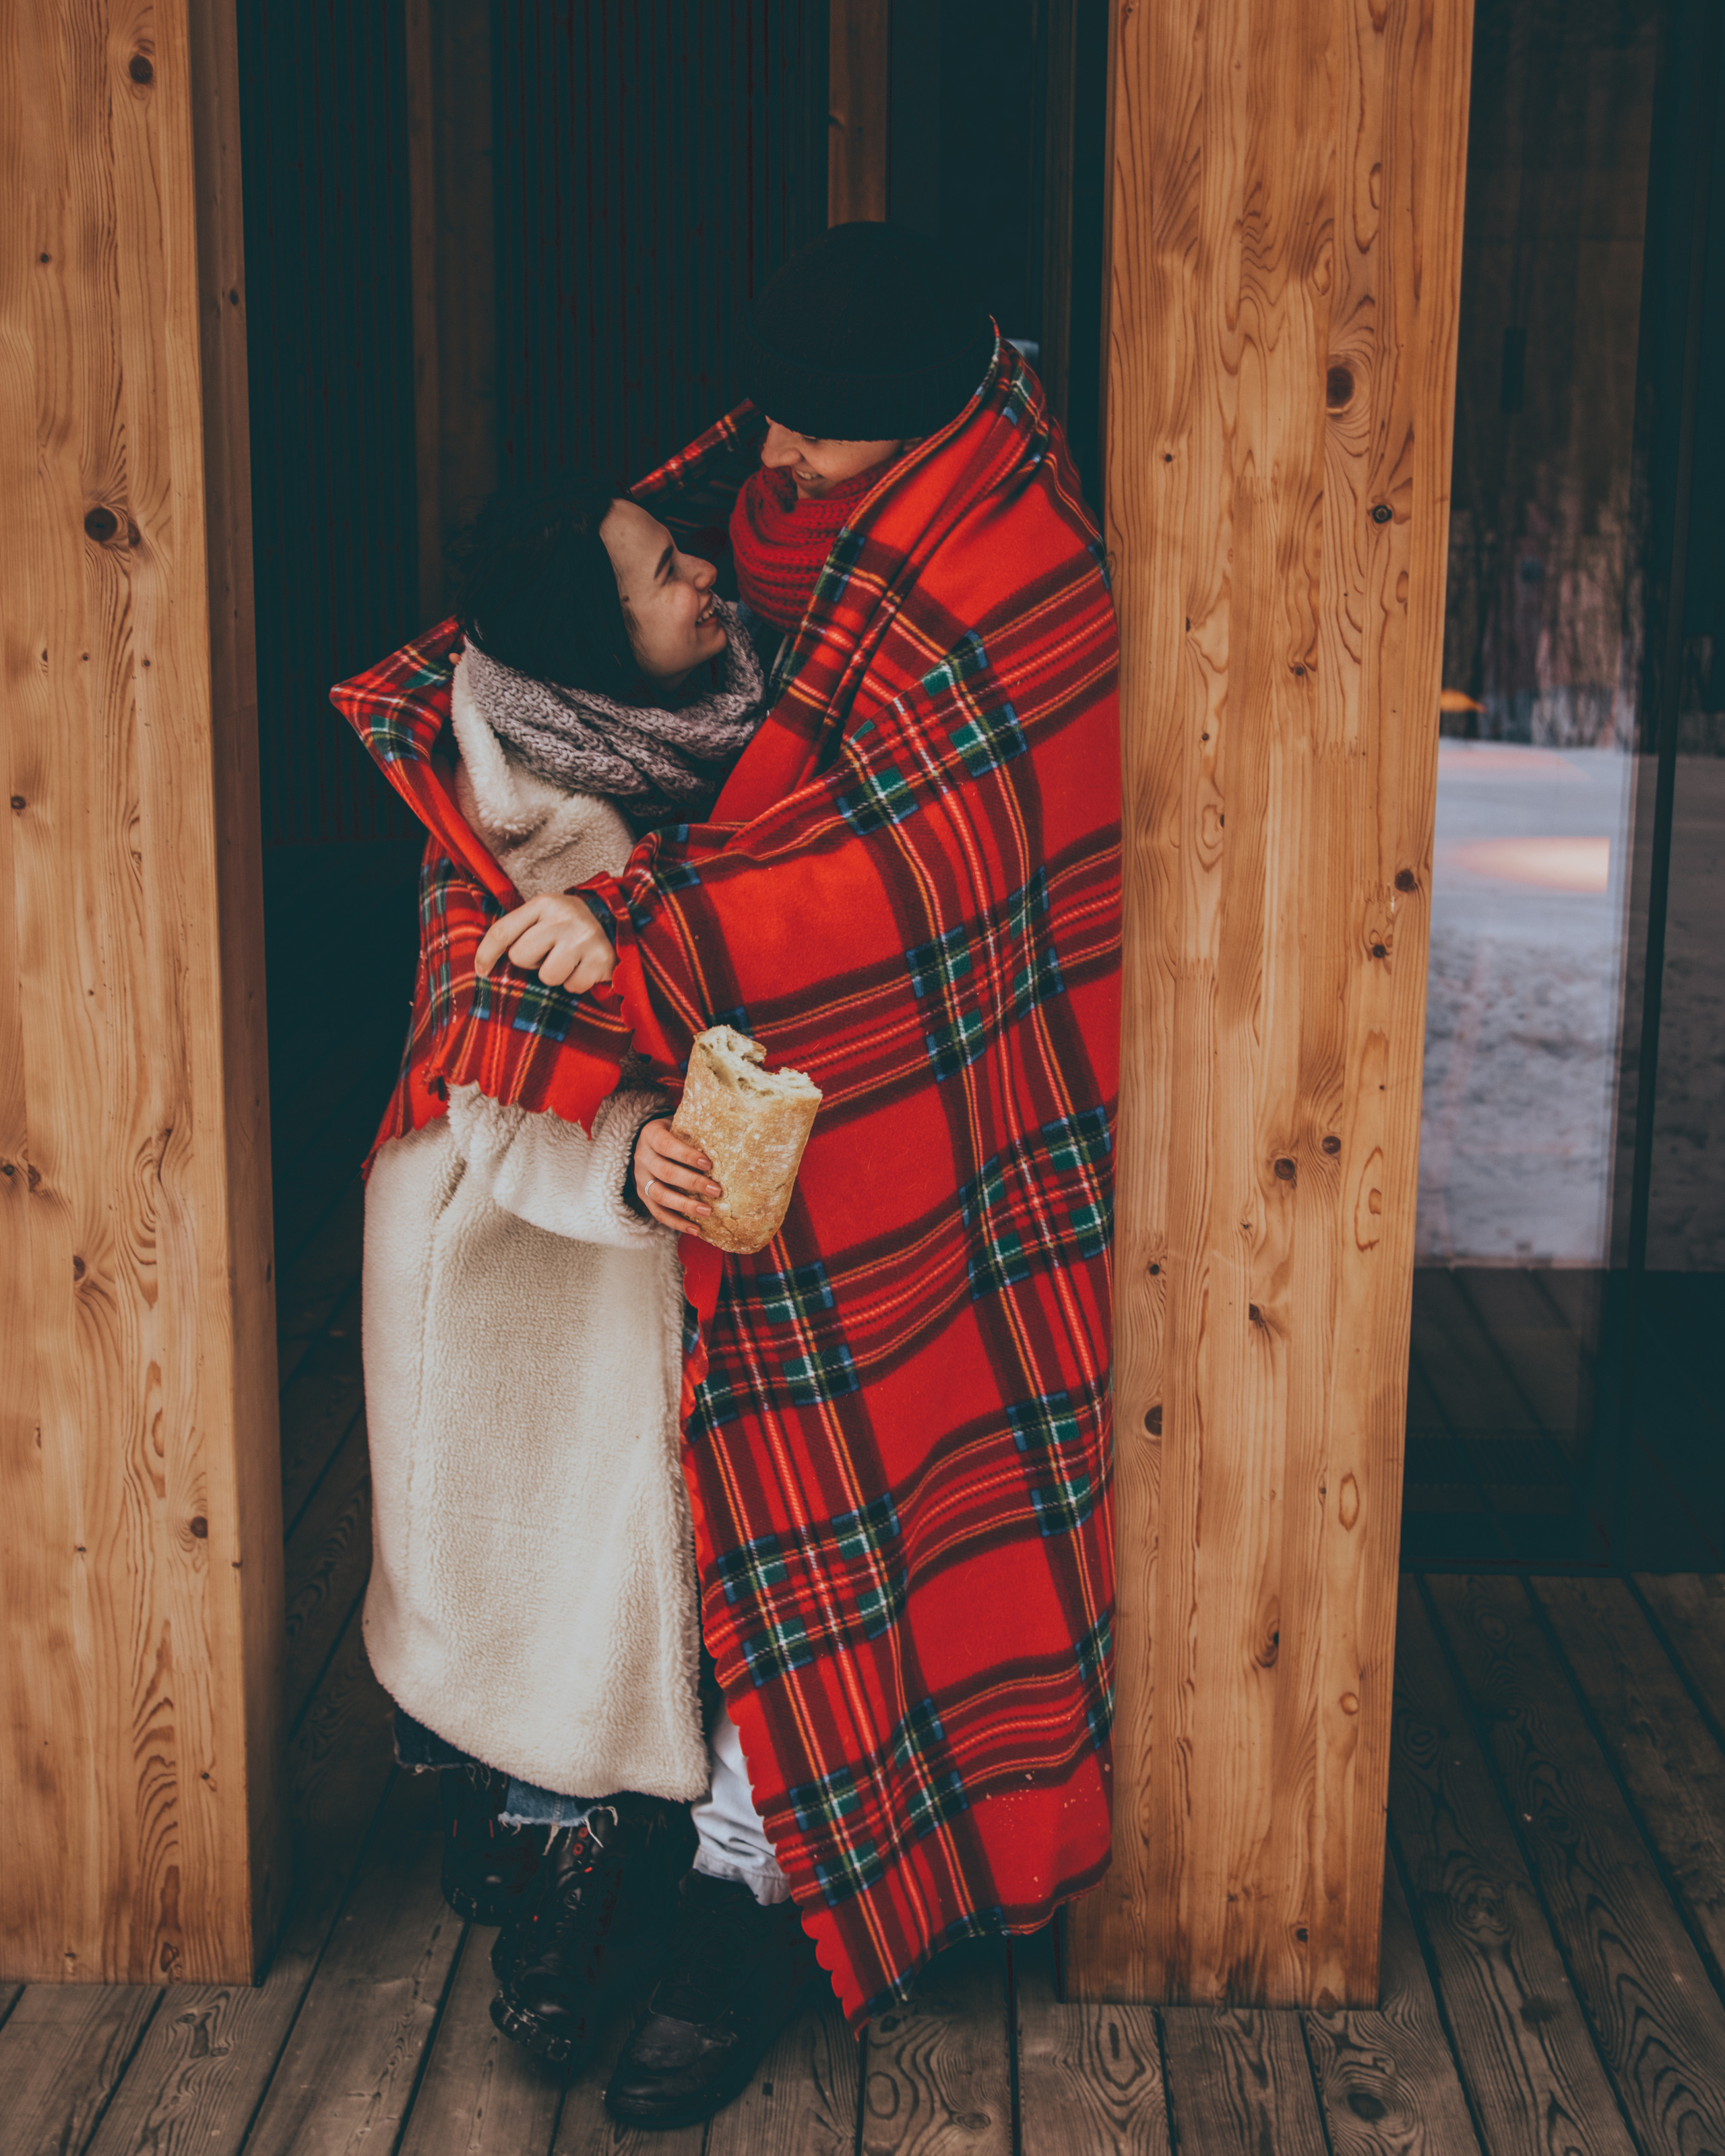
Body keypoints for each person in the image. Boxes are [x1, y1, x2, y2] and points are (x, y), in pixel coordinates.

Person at [334, 219, 1121, 2132]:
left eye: (812, 443)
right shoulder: (563, 719)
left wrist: (652, 929)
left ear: (915, 425)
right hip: (587, 1235)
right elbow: (483, 1015)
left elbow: (914, 860)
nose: (760, 485)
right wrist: (615, 1114)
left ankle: (750, 1902)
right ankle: (591, 1870)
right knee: (627, 1591)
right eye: (759, 442)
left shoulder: (971, 582)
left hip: (854, 1152)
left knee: (807, 1536)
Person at [351, 473, 796, 2078]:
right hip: (525, 1240)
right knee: (563, 1573)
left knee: (692, 1551)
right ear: (592, 645)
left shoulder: (742, 714)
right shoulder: (500, 796)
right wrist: (621, 1158)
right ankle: (559, 1856)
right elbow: (477, 1062)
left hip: (709, 1226)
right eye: (665, 571)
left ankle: (650, 1856)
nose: (706, 573)